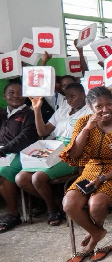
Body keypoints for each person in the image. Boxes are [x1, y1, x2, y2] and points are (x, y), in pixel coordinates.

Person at [60, 86, 112, 262]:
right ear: (90, 107)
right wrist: (88, 128)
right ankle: (97, 232)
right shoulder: (82, 123)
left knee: (95, 204)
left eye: (109, 104)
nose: (105, 110)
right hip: (91, 170)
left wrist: (102, 179)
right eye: (99, 106)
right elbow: (74, 154)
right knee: (69, 203)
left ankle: (93, 239)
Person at [16, 83, 91, 226]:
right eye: (67, 97)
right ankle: (57, 202)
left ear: (83, 95)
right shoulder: (62, 110)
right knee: (21, 178)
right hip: (53, 148)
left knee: (38, 177)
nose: (69, 100)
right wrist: (37, 109)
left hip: (73, 153)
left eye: (73, 96)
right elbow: (43, 132)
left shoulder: (89, 112)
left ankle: (52, 209)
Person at [0, 81, 39, 233]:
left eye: (20, 92)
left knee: (3, 171)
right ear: (4, 96)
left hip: (22, 153)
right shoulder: (2, 114)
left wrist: (5, 149)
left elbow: (26, 137)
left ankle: (13, 213)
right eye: (11, 93)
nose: (16, 95)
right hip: (3, 152)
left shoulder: (30, 113)